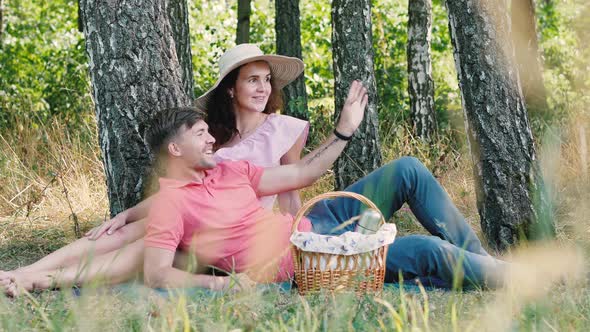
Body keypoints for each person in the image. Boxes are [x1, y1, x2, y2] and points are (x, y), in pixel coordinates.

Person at [1, 82, 507, 295]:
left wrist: (345, 130)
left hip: (318, 223)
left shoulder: (231, 169)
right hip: (309, 263)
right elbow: (154, 271)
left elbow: (304, 176)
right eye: (199, 134)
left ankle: (488, 264)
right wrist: (223, 284)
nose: (210, 137)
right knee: (425, 251)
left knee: (409, 169)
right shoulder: (173, 203)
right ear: (175, 151)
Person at [0, 44, 309, 287]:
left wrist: (296, 247)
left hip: (236, 232)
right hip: (198, 217)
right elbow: (184, 192)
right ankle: (27, 270)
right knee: (129, 228)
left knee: (147, 241)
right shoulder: (214, 135)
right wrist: (126, 213)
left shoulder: (285, 128)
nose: (263, 89)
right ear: (231, 88)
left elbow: (291, 191)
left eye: (266, 80)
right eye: (252, 80)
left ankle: (41, 279)